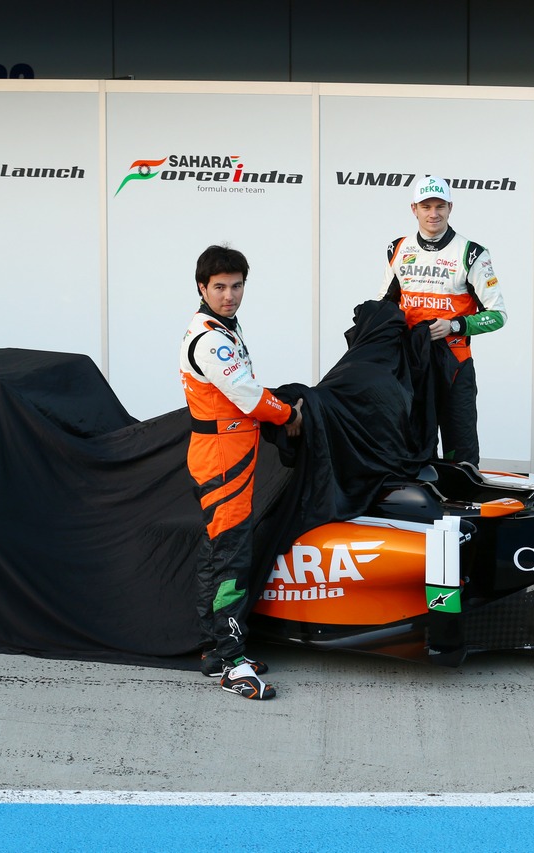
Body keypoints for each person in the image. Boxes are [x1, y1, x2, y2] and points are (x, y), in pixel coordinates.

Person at [179, 244, 302, 700]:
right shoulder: (211, 339)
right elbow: (249, 396)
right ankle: (232, 663)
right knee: (230, 557)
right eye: (219, 288)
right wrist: (289, 413)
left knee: (219, 553)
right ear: (201, 288)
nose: (229, 295)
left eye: (236, 286)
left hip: (229, 453)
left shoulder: (223, 326)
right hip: (220, 459)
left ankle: (214, 650)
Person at [377, 175, 507, 466]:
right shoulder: (398, 249)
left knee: (459, 448)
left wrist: (455, 325)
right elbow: (385, 306)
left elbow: (498, 316)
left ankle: (461, 505)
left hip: (454, 365)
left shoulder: (471, 253)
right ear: (414, 209)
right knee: (411, 441)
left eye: (439, 206)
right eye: (426, 206)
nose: (433, 213)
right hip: (412, 364)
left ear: (450, 207)